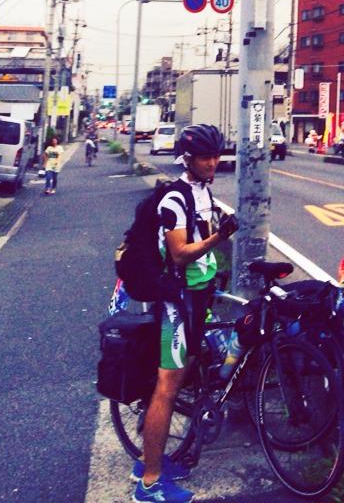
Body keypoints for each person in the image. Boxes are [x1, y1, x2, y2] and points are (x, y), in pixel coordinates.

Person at [132, 124, 238, 503]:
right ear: (188, 159)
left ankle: (149, 458)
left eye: (215, 156)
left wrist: (214, 259)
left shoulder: (202, 193)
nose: (212, 162)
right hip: (177, 303)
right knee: (167, 388)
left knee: (187, 376)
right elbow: (179, 253)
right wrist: (217, 239)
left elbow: (201, 245)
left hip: (198, 297)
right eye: (204, 157)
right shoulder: (175, 199)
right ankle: (148, 484)